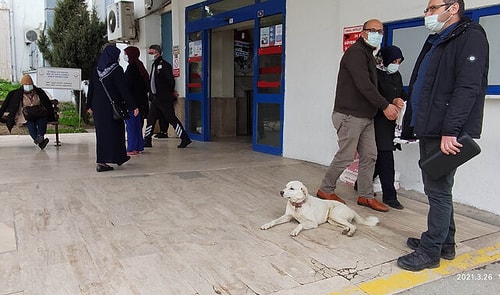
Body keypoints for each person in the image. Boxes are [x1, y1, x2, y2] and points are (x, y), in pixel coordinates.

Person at [397, 0, 489, 271]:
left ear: (453, 8)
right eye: (427, 9)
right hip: (431, 125)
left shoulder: (469, 37)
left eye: (433, 7)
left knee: (437, 189)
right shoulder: (439, 39)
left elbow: (468, 86)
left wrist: (451, 130)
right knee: (439, 187)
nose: (427, 13)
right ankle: (445, 243)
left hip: (443, 129)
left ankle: (430, 251)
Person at [316, 19, 400, 212]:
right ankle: (325, 189)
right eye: (373, 30)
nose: (377, 34)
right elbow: (364, 85)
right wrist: (384, 105)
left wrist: (392, 100)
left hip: (366, 116)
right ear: (363, 33)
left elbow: (374, 86)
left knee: (370, 156)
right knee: (345, 157)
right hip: (349, 115)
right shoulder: (355, 53)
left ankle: (366, 195)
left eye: (380, 31)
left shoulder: (369, 54)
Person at [86, 44, 139, 172]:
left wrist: (88, 105)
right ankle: (114, 159)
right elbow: (123, 90)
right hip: (112, 106)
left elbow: (91, 88)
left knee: (102, 134)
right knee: (116, 132)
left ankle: (107, 159)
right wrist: (133, 105)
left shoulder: (97, 69)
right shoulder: (116, 70)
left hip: (98, 107)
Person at [374, 46, 406, 210]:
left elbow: (399, 92)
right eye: (393, 61)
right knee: (386, 157)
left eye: (399, 62)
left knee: (380, 156)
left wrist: (400, 100)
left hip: (392, 121)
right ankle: (390, 196)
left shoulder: (396, 75)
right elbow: (373, 95)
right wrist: (390, 102)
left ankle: (362, 182)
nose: (396, 65)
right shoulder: (375, 73)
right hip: (377, 120)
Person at [144, 44, 191, 148]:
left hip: (163, 98)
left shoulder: (164, 65)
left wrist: (168, 92)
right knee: (151, 119)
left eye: (151, 53)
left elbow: (170, 81)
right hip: (155, 99)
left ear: (157, 53)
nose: (150, 55)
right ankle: (147, 139)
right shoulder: (154, 65)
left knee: (171, 118)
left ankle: (184, 138)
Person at [0, 74, 55, 149]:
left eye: (30, 84)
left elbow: (47, 103)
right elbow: (5, 106)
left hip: (38, 113)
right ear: (22, 85)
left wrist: (52, 115)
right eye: (26, 84)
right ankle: (40, 141)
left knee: (42, 120)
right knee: (30, 123)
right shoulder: (15, 94)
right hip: (24, 115)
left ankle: (39, 137)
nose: (28, 86)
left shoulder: (39, 92)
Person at [123, 46, 149, 155]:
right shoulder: (140, 66)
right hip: (141, 101)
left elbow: (127, 86)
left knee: (131, 126)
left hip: (132, 103)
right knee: (138, 126)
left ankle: (132, 148)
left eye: (125, 53)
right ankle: (138, 146)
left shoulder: (131, 68)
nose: (124, 56)